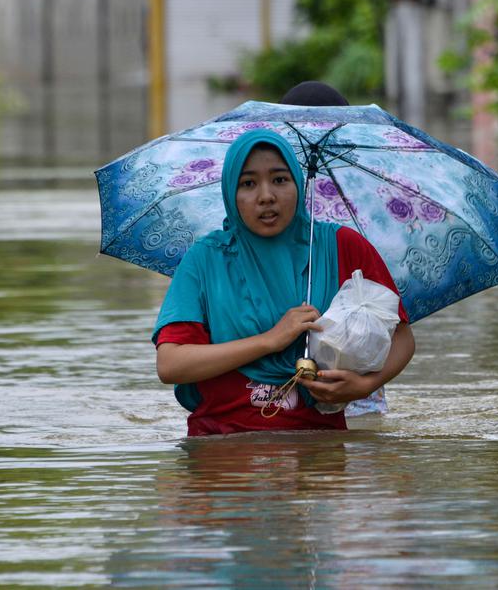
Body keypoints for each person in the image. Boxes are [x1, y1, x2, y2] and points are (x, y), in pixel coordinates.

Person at [153, 86, 415, 436]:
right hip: (221, 452)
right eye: (248, 184)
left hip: (320, 449)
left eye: (280, 180)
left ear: (297, 183)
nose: (266, 196)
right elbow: (171, 364)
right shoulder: (205, 259)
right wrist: (270, 340)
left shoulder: (341, 245)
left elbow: (402, 337)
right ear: (230, 193)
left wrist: (365, 385)